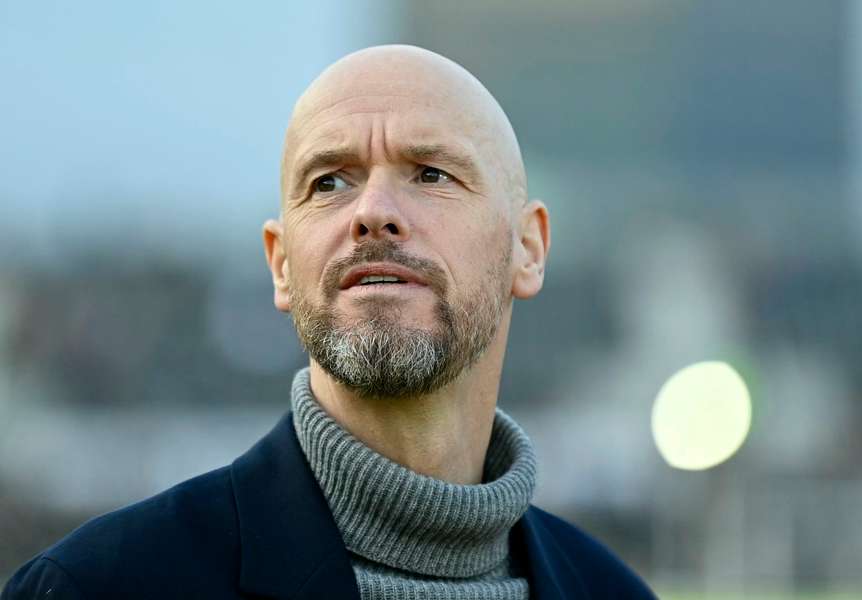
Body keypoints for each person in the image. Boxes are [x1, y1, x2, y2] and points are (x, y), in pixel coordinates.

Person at [2, 45, 656, 599]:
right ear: (281, 264)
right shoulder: (99, 587)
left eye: (430, 173)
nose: (372, 211)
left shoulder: (615, 592)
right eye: (329, 183)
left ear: (529, 248)